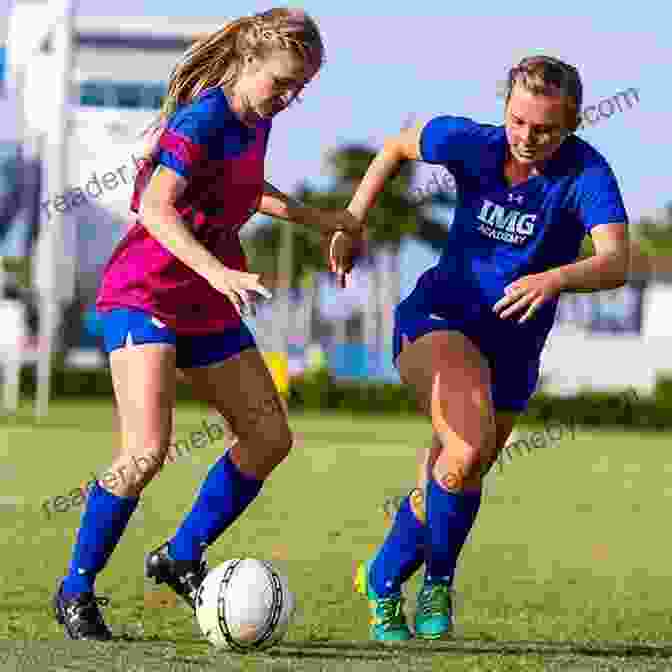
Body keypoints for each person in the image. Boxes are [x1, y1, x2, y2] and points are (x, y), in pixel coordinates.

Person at [53, 7, 362, 641]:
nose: (290, 97)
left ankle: (180, 555)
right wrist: (218, 273)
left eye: (301, 87)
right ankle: (77, 589)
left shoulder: (256, 117)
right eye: (283, 82)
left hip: (205, 301)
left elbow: (245, 189)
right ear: (249, 64)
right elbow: (155, 206)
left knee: (268, 437)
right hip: (145, 292)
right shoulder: (203, 119)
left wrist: (320, 218)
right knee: (145, 453)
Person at [344, 55, 630, 641]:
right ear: (505, 109)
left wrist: (556, 278)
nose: (526, 138)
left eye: (545, 128)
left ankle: (379, 577)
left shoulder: (587, 174)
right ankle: (438, 584)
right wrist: (352, 221)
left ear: (571, 124)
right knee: (469, 447)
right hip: (438, 319)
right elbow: (396, 148)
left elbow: (616, 260)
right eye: (518, 121)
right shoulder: (470, 141)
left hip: (515, 349)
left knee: (454, 471)